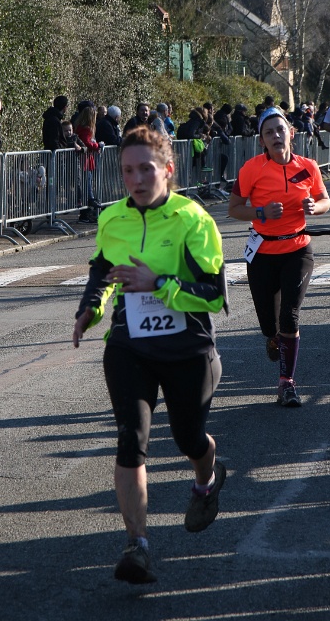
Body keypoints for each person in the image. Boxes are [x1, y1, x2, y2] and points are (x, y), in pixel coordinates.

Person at [72, 126, 228, 584]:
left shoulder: (192, 219)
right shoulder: (113, 219)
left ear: (168, 170)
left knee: (188, 439)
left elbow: (214, 295)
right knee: (130, 440)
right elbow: (103, 270)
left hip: (187, 349)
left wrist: (158, 284)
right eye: (127, 171)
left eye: (146, 169)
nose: (136, 180)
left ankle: (206, 478)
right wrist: (89, 309)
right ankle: (136, 545)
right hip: (130, 347)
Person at [228, 106, 330, 408]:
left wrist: (315, 208)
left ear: (291, 133)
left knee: (290, 315)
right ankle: (274, 338)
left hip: (298, 249)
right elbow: (234, 208)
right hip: (262, 252)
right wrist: (260, 212)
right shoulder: (251, 169)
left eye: (280, 129)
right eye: (269, 132)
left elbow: (325, 200)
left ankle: (287, 383)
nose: (276, 135)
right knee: (269, 325)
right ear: (262, 140)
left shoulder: (308, 166)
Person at [74, 105, 103, 221]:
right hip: (85, 158)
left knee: (87, 180)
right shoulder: (86, 129)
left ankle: (88, 207)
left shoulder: (79, 127)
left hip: (85, 157)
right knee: (87, 180)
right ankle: (90, 199)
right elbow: (87, 142)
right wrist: (97, 145)